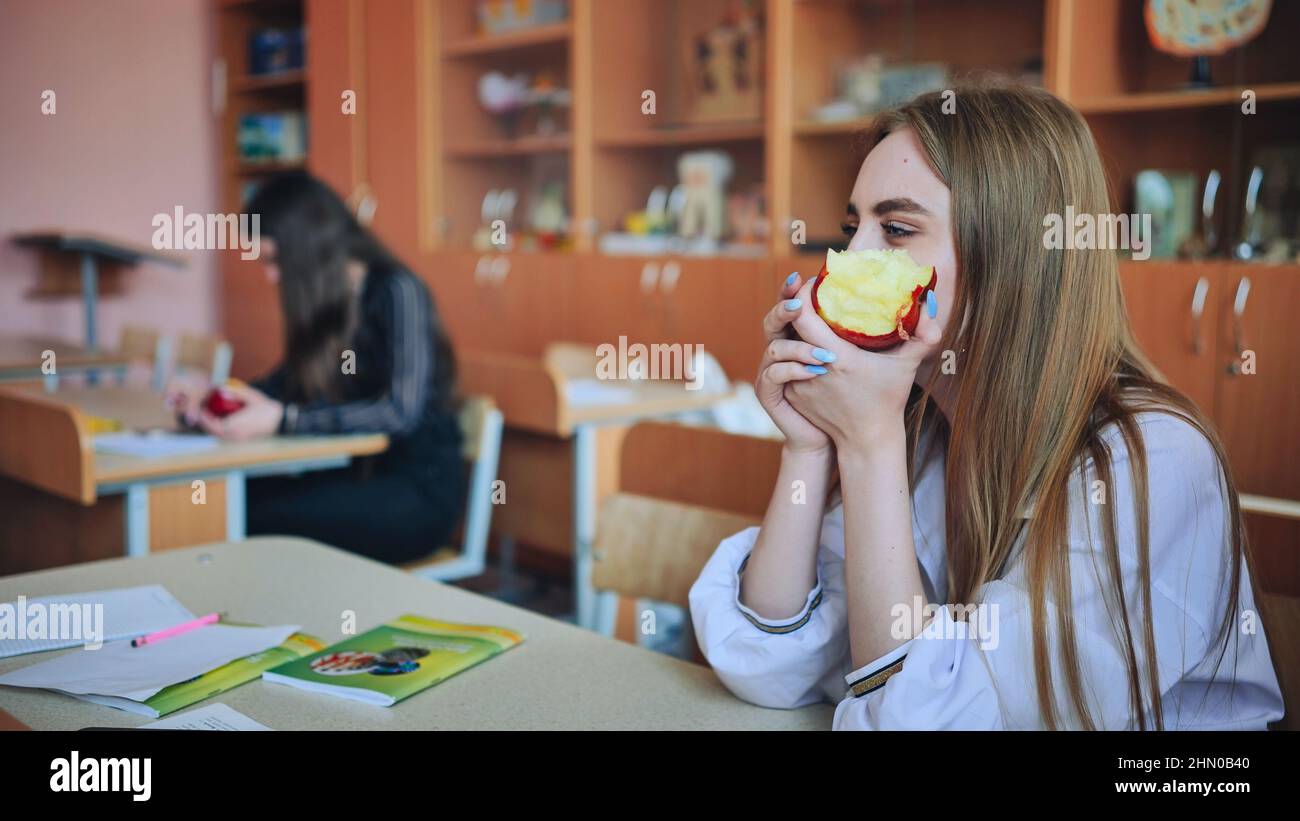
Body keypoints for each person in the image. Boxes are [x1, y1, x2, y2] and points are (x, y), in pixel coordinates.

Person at [689, 83, 1284, 730]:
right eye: (852, 226)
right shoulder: (917, 421)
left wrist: (869, 446)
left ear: (1014, 256)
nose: (849, 259)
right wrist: (810, 444)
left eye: (896, 228)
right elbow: (769, 667)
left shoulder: (1155, 463)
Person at [168, 172, 463, 564]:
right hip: (357, 473)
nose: (272, 276)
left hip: (416, 492)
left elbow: (399, 411)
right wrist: (215, 398)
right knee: (224, 498)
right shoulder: (330, 303)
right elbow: (284, 385)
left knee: (245, 514)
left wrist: (284, 420)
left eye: (274, 260)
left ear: (308, 248)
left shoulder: (398, 290)